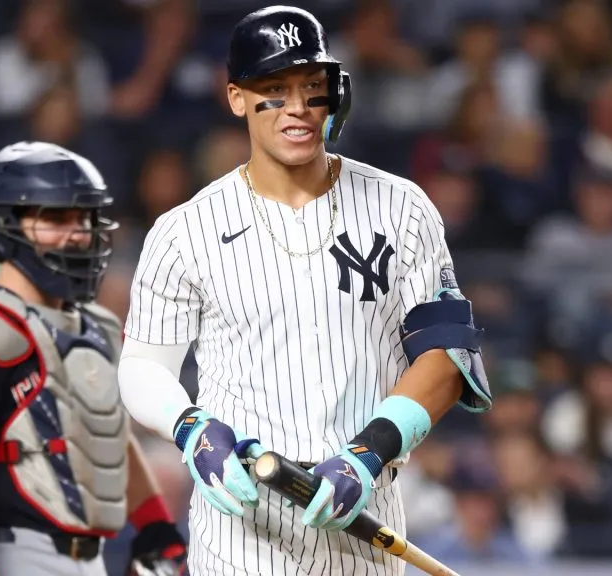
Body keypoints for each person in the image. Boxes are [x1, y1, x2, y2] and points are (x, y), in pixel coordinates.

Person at [117, 6, 493, 575]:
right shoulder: (184, 229)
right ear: (236, 97)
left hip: (363, 522)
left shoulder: (402, 207)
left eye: (310, 87)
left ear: (333, 94)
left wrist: (369, 453)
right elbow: (142, 366)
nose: (296, 108)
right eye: (274, 87)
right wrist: (189, 427)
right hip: (240, 532)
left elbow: (446, 359)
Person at [0, 141, 186, 576]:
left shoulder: (94, 324)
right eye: (57, 217)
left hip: (88, 557)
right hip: (5, 554)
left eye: (86, 217)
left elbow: (106, 431)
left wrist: (156, 527)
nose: (79, 232)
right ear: (6, 222)